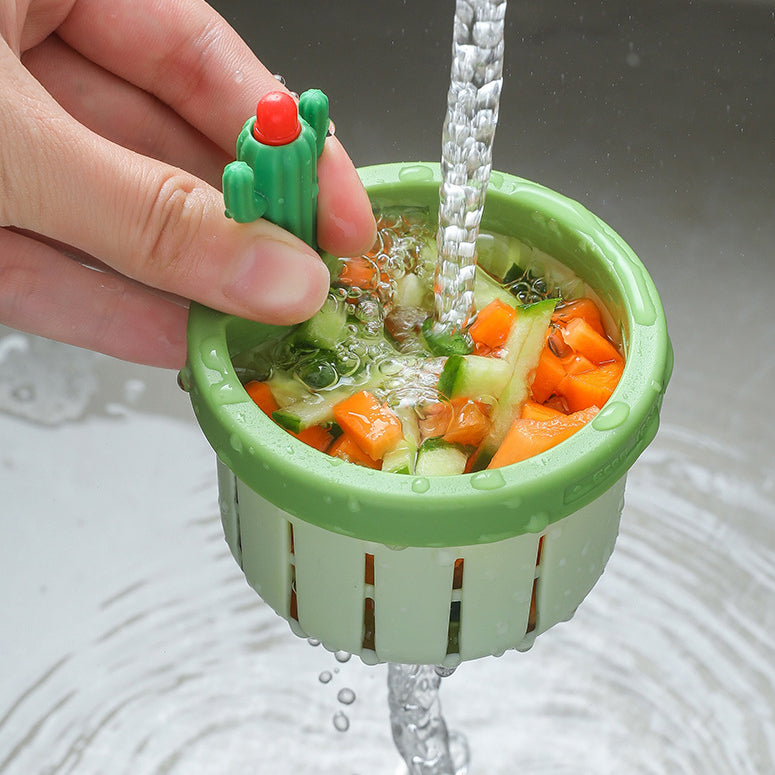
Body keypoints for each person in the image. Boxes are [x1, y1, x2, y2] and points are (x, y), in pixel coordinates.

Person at [0, 0, 377, 369]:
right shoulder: (279, 154)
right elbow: (240, 201)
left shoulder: (287, 146)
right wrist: (190, 221)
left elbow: (248, 195)